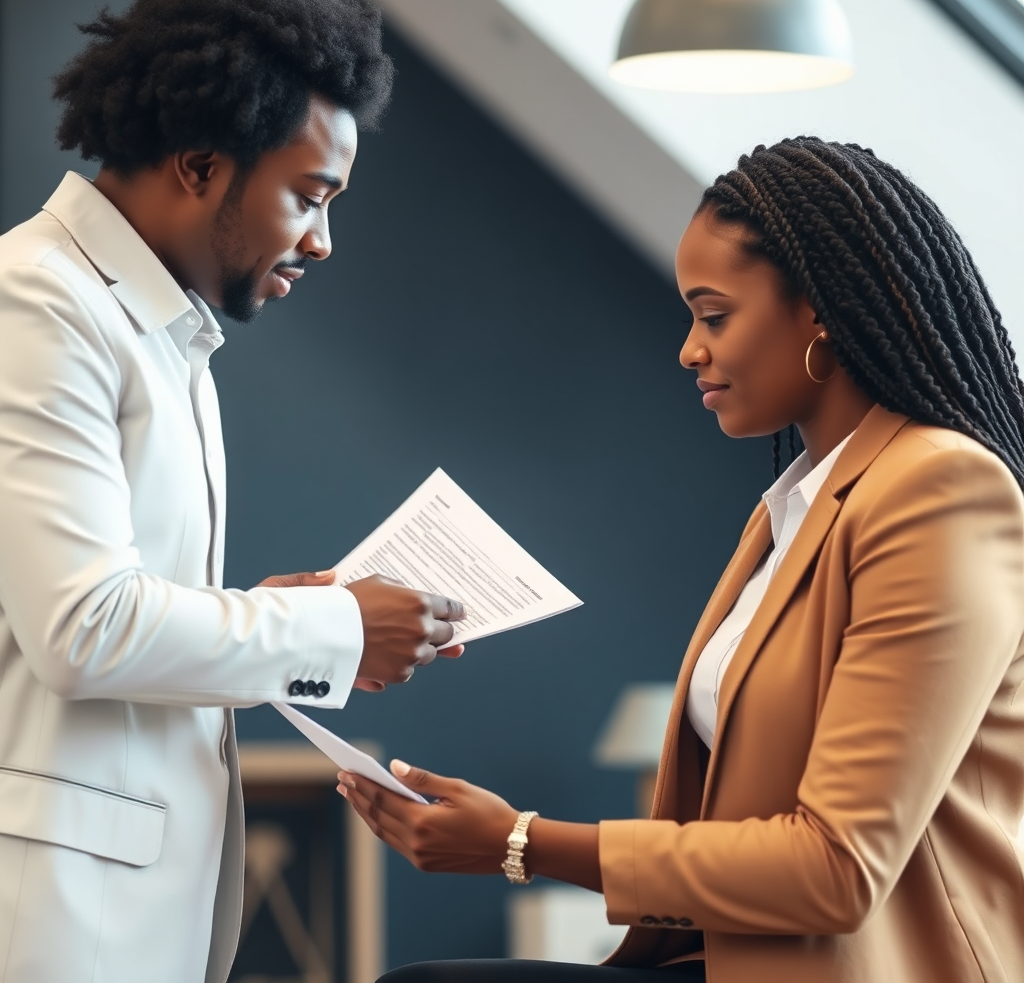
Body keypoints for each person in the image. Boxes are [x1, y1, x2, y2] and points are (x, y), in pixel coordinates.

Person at [338, 137, 1024, 983]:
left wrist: (520, 841)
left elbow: (838, 870)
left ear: (819, 312)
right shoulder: (793, 511)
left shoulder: (940, 490)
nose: (689, 349)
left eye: (715, 316)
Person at [0, 0, 467, 982]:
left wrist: (271, 612)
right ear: (201, 165)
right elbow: (83, 629)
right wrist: (332, 628)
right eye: (309, 196)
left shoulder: (164, 330)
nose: (323, 241)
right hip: (54, 923)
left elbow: (110, 613)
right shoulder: (36, 302)